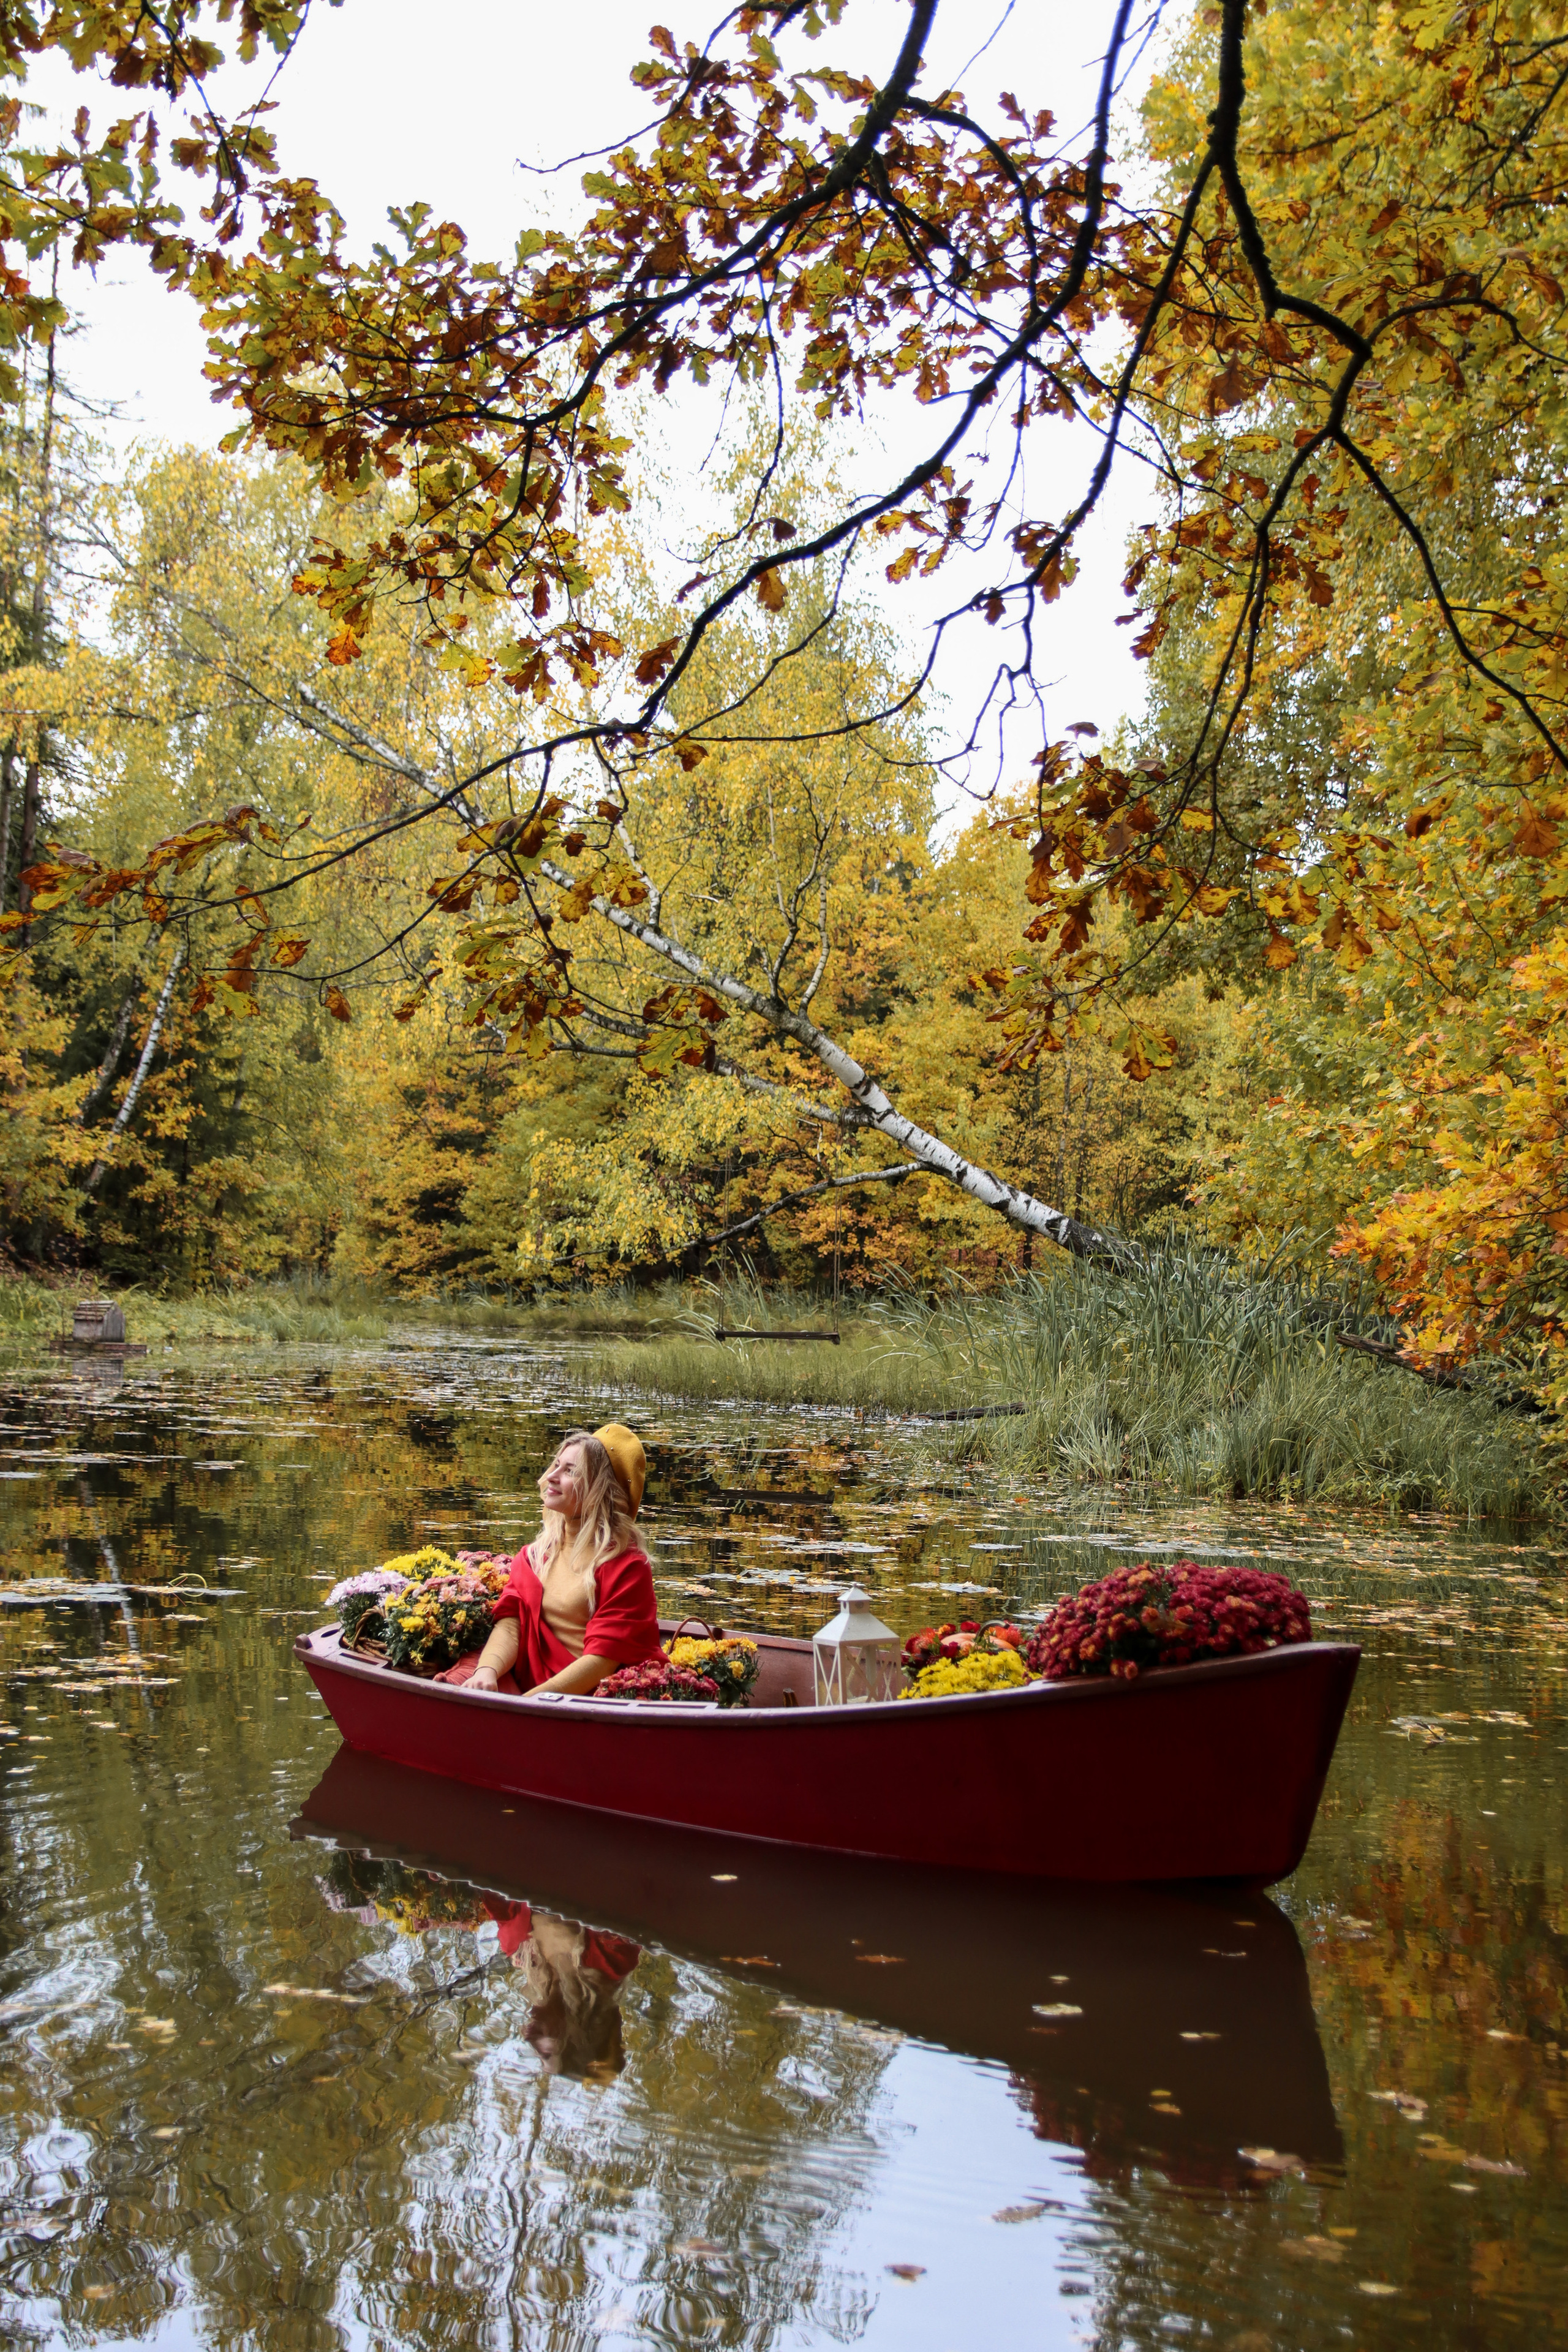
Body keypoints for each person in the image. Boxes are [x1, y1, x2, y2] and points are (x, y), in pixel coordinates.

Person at [450, 1422, 660, 1697]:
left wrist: (531, 1702)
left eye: (570, 1471)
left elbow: (603, 1661)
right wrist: (486, 1671)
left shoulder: (626, 1566)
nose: (552, 1476)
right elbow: (512, 1624)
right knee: (459, 1678)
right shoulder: (535, 1556)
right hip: (530, 1689)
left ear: (600, 1489)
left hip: (585, 1699)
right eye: (557, 1465)